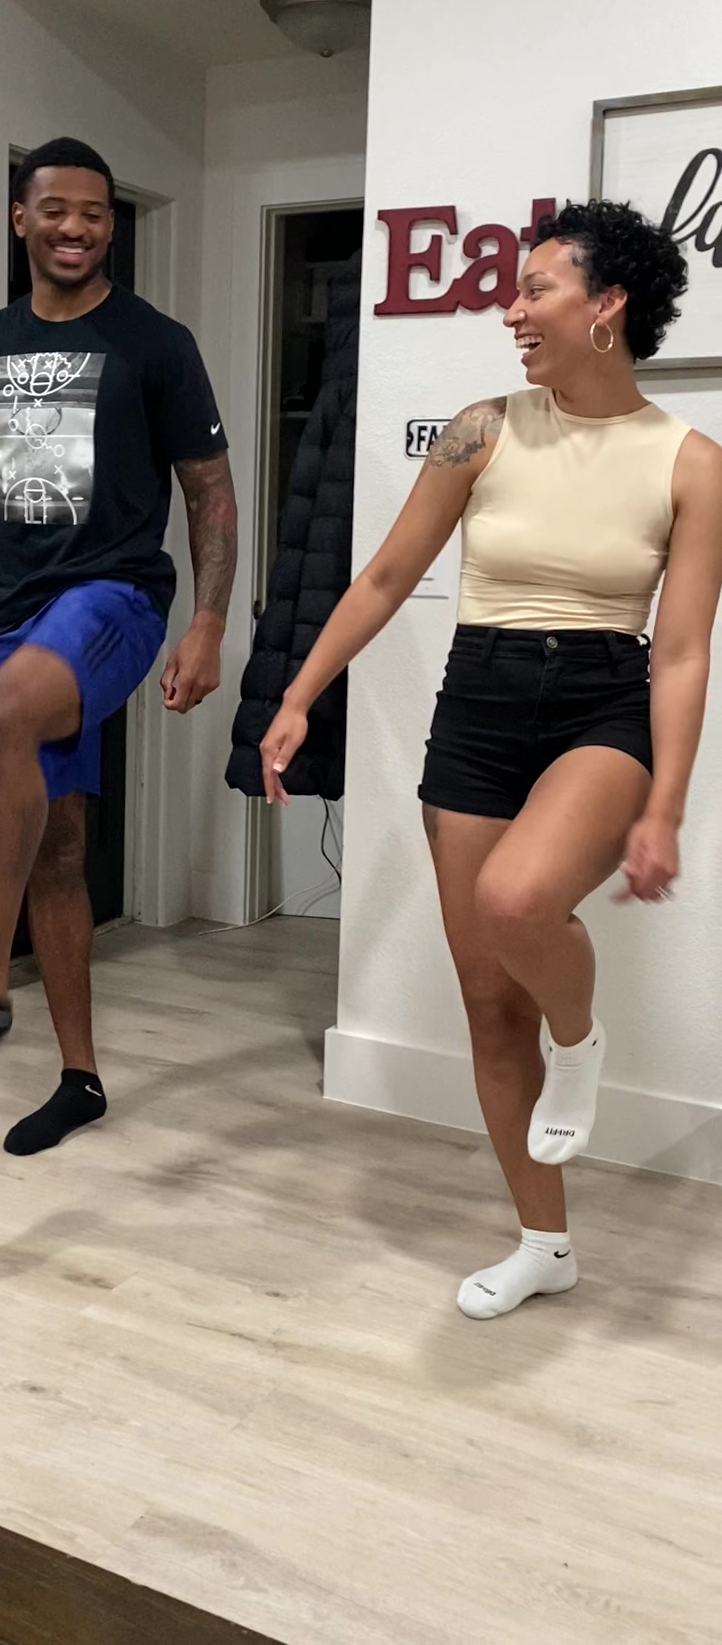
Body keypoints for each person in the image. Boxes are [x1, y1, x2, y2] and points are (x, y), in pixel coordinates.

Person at [259, 200, 722, 1321]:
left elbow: (681, 650)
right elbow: (383, 578)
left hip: (600, 703)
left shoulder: (693, 463)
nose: (511, 310)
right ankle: (544, 1243)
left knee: (518, 902)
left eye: (536, 289)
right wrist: (299, 695)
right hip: (478, 702)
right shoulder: (481, 430)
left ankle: (582, 1040)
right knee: (485, 999)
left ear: (608, 306)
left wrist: (665, 806)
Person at [0, 136, 237, 1153]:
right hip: (14, 613)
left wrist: (208, 621)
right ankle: (80, 1080)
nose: (77, 227)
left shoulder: (156, 343)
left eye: (94, 212)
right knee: (60, 848)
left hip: (116, 597)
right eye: (57, 210)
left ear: (109, 225)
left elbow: (210, 493)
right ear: (22, 220)